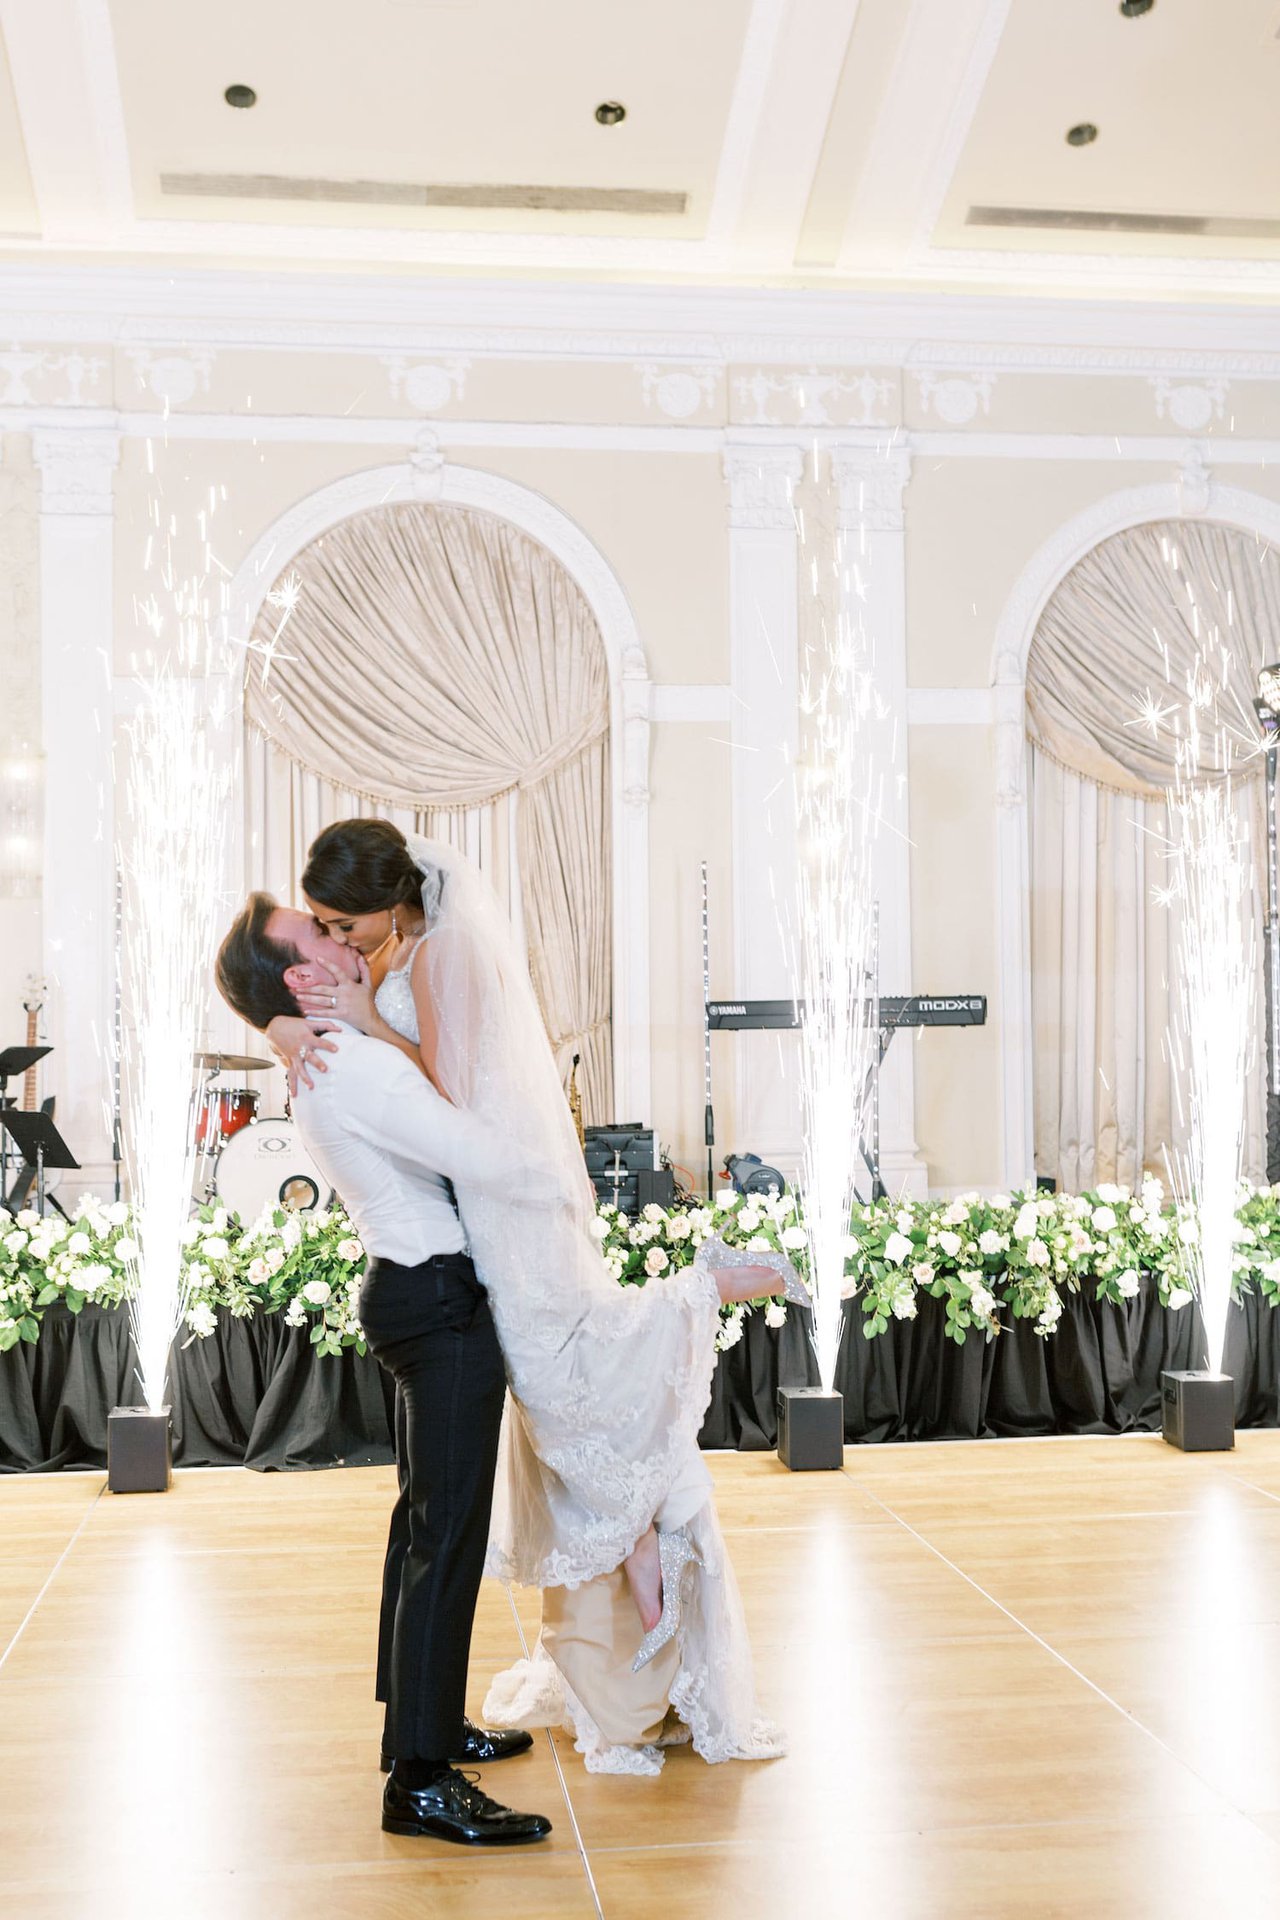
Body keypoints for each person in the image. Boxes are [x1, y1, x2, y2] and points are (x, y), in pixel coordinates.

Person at [261, 821, 793, 1774]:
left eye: (344, 924)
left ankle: (653, 1481)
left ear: (392, 902)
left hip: (502, 1214)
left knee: (564, 1387)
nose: (337, 942)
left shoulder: (437, 953)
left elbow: (453, 1100)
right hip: (479, 1218)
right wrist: (294, 1019)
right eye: (323, 930)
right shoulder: (403, 956)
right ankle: (623, 1556)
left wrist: (361, 1021)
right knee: (544, 1412)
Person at [215, 895, 553, 1847]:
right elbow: (482, 1154)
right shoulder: (348, 1063)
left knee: (424, 1531)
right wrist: (552, 1164)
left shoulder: (332, 1054)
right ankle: (421, 1780)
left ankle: (426, 1728)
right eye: (318, 934)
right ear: (299, 977)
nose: (343, 935)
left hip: (410, 1293)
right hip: (438, 1306)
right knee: (445, 1540)